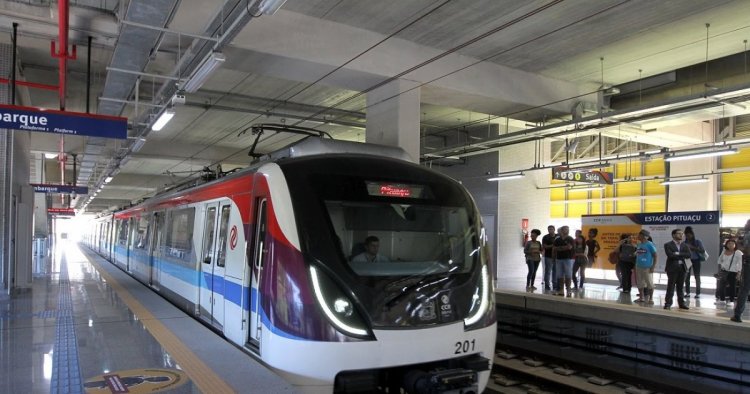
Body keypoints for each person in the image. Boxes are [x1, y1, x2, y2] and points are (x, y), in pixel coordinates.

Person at [663, 228, 691, 310]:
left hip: (683, 268)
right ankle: (668, 303)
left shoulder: (685, 245)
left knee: (681, 287)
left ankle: (681, 303)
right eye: (679, 233)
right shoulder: (668, 245)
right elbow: (670, 255)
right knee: (671, 286)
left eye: (682, 234)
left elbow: (689, 255)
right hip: (672, 268)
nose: (681, 235)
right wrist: (682, 255)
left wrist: (677, 253)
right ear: (673, 235)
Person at [731, 219, 750, 323]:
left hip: (748, 264)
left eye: (747, 223)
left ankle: (737, 315)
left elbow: (747, 251)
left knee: (744, 289)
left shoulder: (748, 234)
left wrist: (739, 246)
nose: (744, 224)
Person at [715, 239, 741, 306]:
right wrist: (721, 267)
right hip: (724, 271)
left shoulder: (737, 252)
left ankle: (731, 301)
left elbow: (740, 263)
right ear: (726, 244)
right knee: (721, 286)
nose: (731, 245)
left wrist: (739, 272)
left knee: (732, 287)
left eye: (732, 243)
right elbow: (719, 260)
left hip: (733, 271)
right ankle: (722, 300)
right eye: (729, 243)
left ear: (735, 245)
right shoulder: (724, 251)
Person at [634, 229, 657, 304]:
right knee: (640, 283)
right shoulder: (639, 244)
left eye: (639, 235)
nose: (638, 236)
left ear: (643, 236)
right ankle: (641, 297)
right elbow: (638, 254)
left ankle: (651, 298)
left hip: (647, 267)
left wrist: (653, 267)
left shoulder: (650, 244)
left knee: (650, 283)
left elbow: (655, 255)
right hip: (639, 266)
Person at [683, 226, 706, 298]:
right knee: (687, 276)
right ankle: (687, 292)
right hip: (687, 260)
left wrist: (693, 248)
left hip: (696, 260)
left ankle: (698, 293)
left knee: (697, 276)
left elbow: (702, 251)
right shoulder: (684, 243)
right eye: (686, 235)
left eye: (689, 235)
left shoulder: (697, 241)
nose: (688, 236)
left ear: (692, 234)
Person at [553, 226, 575, 297]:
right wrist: (563, 248)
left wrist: (559, 248)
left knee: (568, 274)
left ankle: (568, 289)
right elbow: (554, 248)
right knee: (559, 275)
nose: (567, 231)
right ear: (562, 230)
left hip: (568, 259)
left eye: (568, 229)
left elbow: (569, 247)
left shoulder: (570, 238)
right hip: (559, 259)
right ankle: (561, 290)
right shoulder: (557, 240)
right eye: (565, 229)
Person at [541, 225, 557, 291]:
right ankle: (547, 285)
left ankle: (555, 285)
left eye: (551, 229)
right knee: (548, 271)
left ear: (554, 229)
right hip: (548, 257)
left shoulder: (558, 236)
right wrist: (552, 245)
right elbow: (545, 246)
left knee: (555, 271)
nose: (550, 230)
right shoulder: (545, 237)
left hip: (556, 257)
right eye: (549, 229)